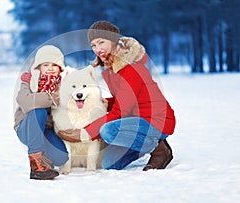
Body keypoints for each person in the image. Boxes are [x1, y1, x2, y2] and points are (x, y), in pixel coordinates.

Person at [58, 21, 176, 171]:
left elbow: (121, 111)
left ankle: (159, 149)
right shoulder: (111, 70)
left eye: (102, 42)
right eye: (93, 45)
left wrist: (86, 132)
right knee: (109, 164)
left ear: (113, 41)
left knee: (109, 130)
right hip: (135, 122)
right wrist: (102, 103)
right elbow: (126, 100)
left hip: (156, 120)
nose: (97, 49)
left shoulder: (131, 69)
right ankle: (141, 144)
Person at [14, 45, 68, 180]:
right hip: (26, 127)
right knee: (38, 111)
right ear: (39, 67)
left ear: (60, 68)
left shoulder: (65, 83)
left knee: (61, 157)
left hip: (47, 130)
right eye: (46, 65)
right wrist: (52, 98)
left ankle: (46, 158)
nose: (50, 68)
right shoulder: (29, 81)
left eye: (54, 65)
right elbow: (26, 102)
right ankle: (36, 165)